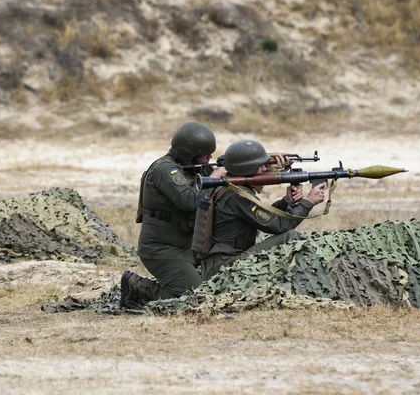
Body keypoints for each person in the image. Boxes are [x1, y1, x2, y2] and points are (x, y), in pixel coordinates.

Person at [120, 121, 226, 309]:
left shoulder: (195, 168)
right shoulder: (164, 170)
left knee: (211, 288)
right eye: (205, 153)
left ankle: (178, 279)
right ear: (189, 153)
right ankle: (137, 287)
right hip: (160, 249)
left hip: (188, 249)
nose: (210, 156)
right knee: (193, 295)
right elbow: (189, 201)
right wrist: (215, 178)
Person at [199, 139, 326, 281]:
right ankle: (314, 282)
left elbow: (265, 217)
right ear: (247, 169)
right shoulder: (237, 195)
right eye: (260, 166)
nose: (264, 170)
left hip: (222, 260)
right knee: (289, 237)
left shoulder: (230, 187)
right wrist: (308, 202)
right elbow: (278, 225)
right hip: (225, 265)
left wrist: (286, 202)